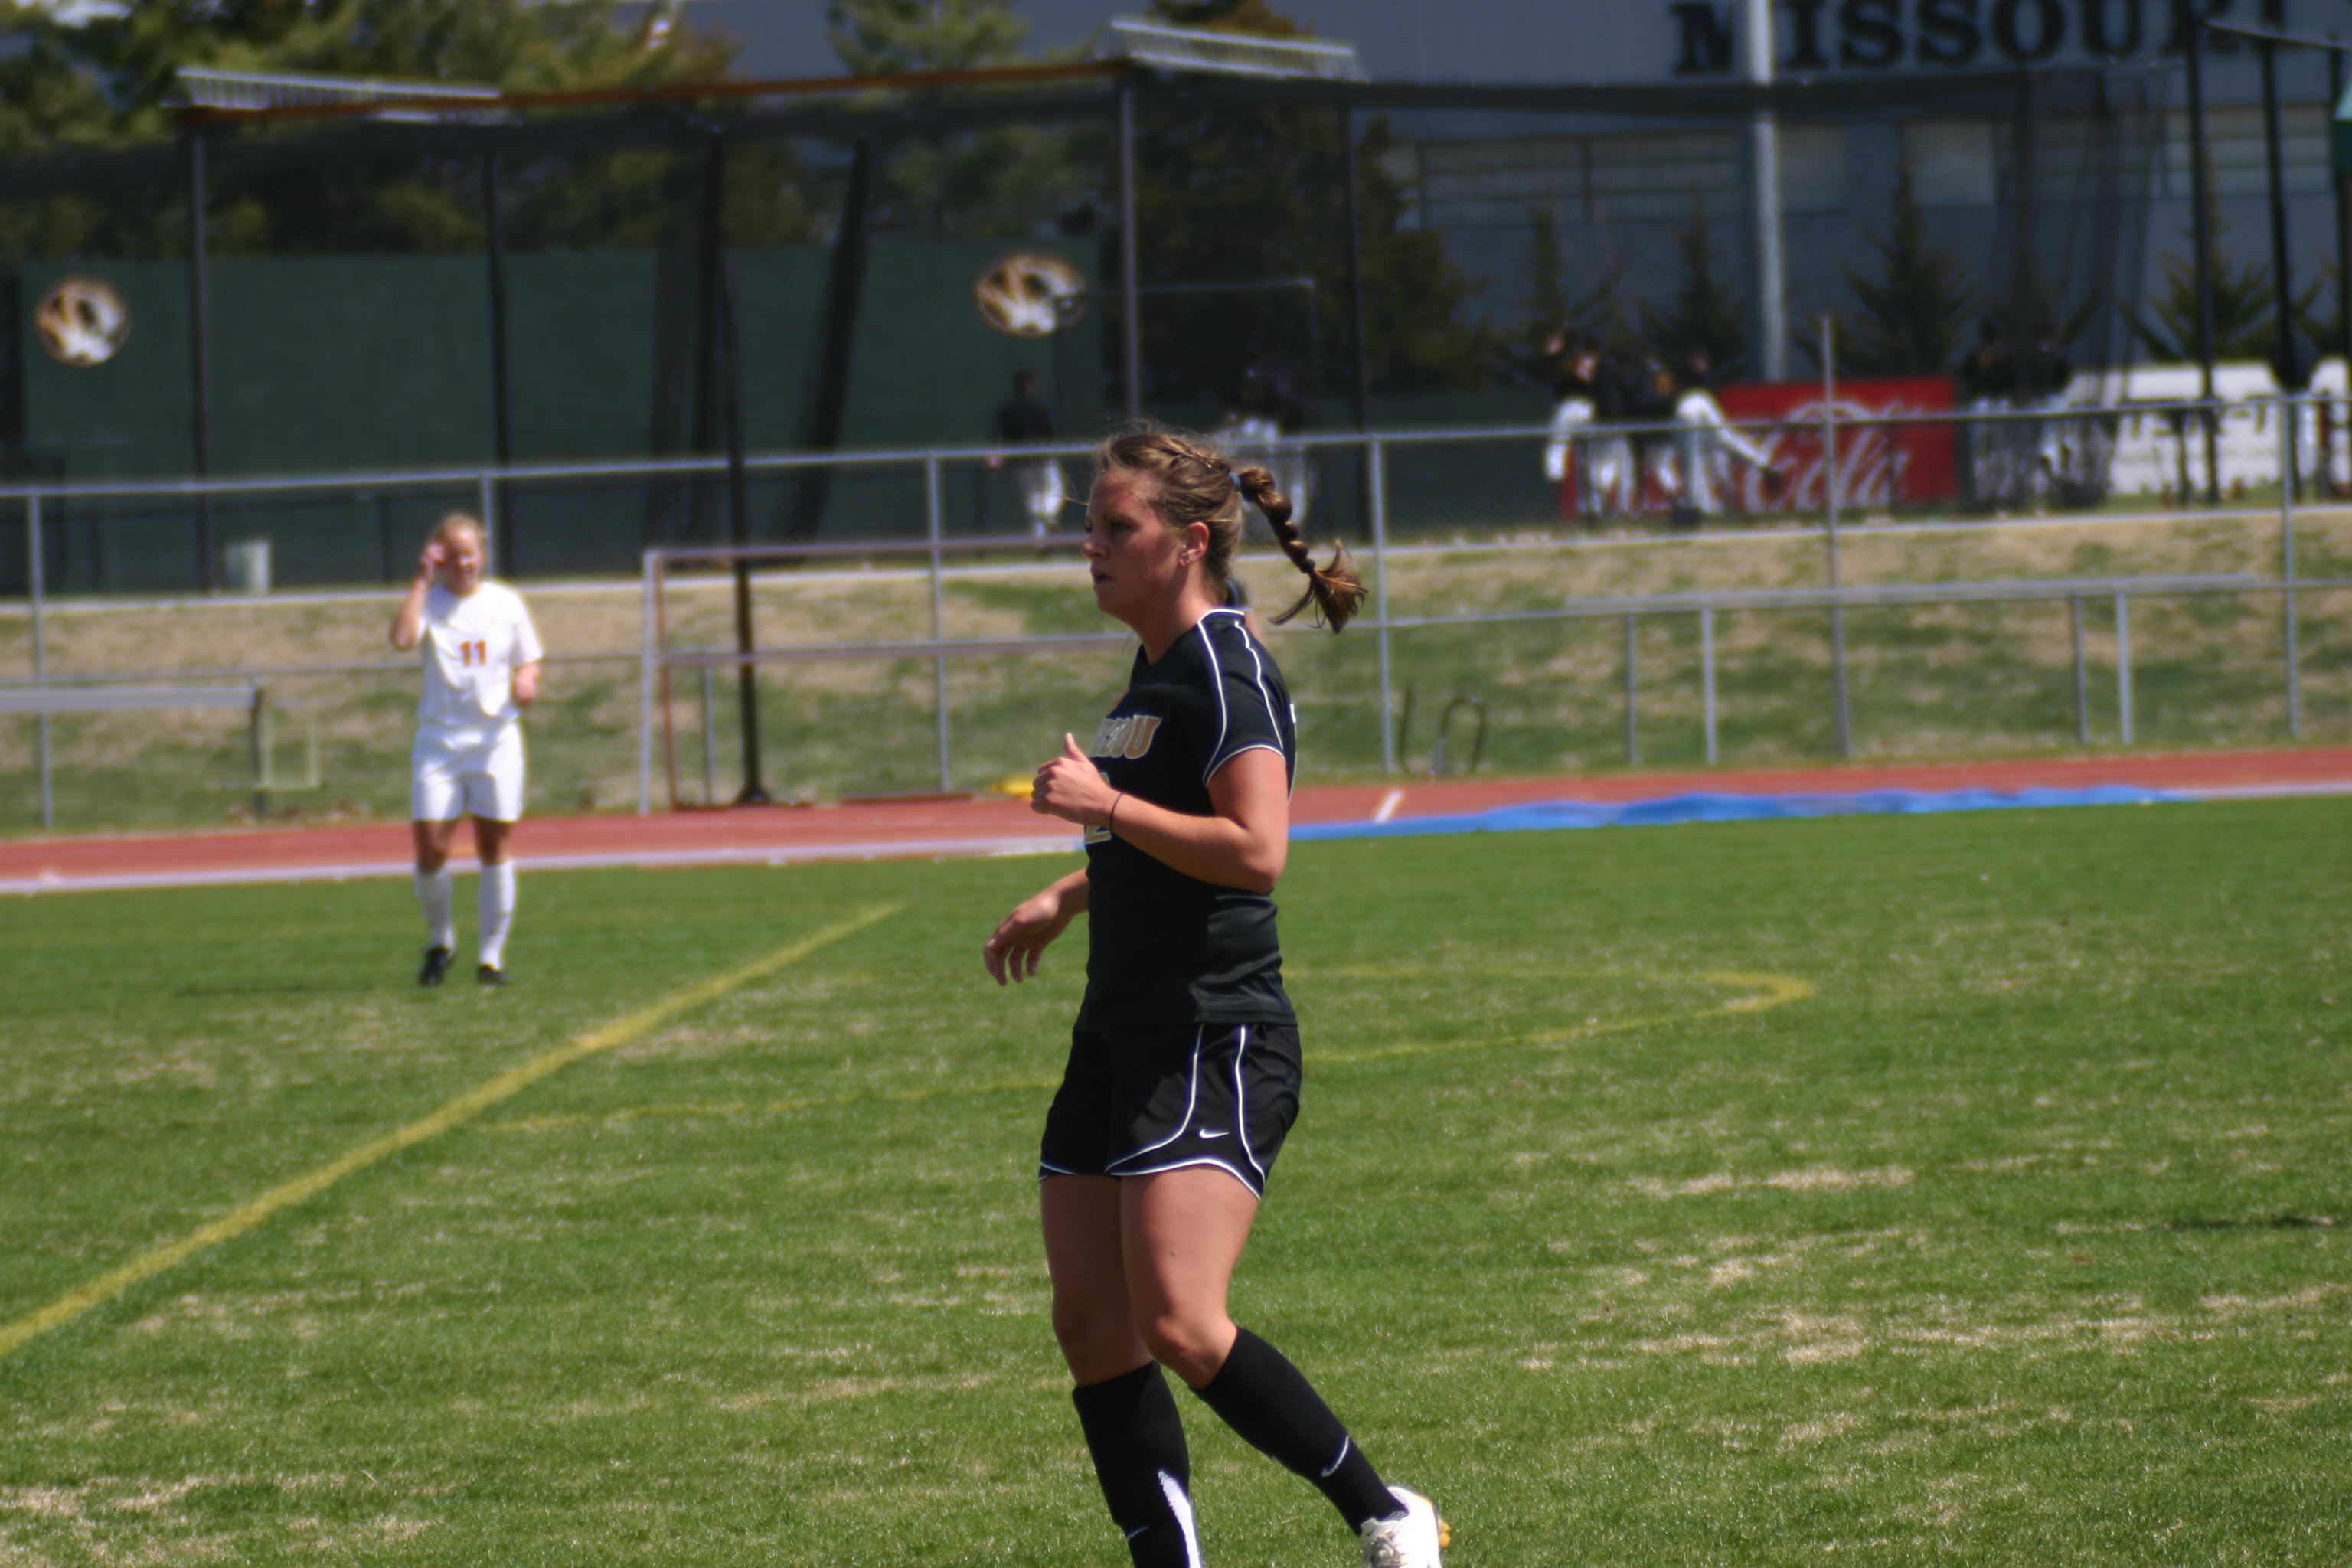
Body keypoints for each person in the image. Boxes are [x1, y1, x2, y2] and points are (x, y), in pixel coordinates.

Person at [982, 426, 1446, 1568]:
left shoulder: (1227, 667)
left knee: (1182, 1324)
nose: (1090, 545)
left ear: (1188, 542)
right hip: (1120, 1030)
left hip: (1212, 1031)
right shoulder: (1152, 673)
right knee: (1091, 1324)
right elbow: (1161, 843)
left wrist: (1104, 807)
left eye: (1116, 527)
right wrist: (1070, 894)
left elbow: (1254, 850)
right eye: (1090, 526)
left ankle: (1386, 1512)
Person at [388, 513, 544, 987]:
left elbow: (529, 658)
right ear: (440, 559)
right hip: (439, 742)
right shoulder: (431, 602)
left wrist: (526, 679)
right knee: (431, 847)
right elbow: (401, 639)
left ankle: (490, 960)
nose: (463, 564)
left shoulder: (506, 602)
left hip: (494, 741)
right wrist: (420, 581)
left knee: (494, 846)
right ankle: (441, 942)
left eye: (469, 554)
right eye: (452, 556)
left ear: (483, 554)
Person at [989, 369, 1067, 537]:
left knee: (1032, 497)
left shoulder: (1008, 407)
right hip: (1044, 458)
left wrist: (997, 455)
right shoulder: (1041, 406)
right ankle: (1046, 515)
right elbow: (1051, 432)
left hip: (1022, 460)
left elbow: (1000, 434)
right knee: (1054, 490)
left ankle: (1039, 538)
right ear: (1031, 385)